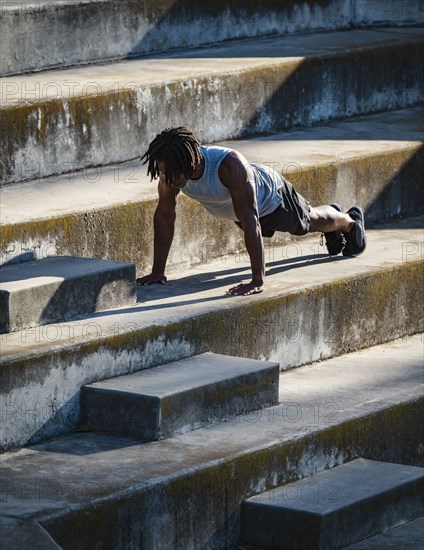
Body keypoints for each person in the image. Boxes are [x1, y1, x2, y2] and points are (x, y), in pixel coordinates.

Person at [137, 126, 366, 296]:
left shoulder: (229, 166)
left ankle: (349, 222)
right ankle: (336, 218)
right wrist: (158, 271)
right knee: (306, 221)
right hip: (238, 211)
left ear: (191, 161)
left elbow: (251, 221)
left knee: (309, 222)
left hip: (272, 198)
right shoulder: (169, 174)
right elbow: (165, 216)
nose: (166, 176)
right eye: (162, 170)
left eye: (171, 171)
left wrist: (257, 280)